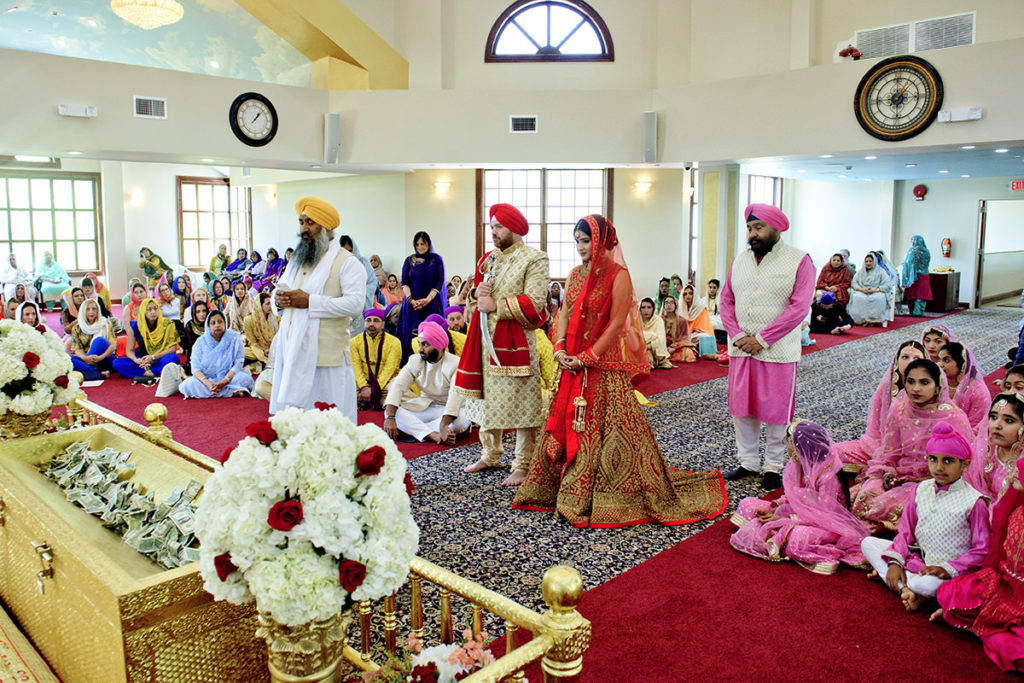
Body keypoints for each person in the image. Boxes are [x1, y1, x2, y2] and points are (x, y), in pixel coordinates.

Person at [512, 214, 726, 526]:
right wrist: (559, 346)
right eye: (577, 242)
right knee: (565, 423)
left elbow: (616, 325)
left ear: (602, 241)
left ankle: (600, 494)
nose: (581, 247)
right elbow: (566, 314)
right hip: (572, 366)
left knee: (605, 431)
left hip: (603, 368)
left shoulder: (618, 275)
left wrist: (588, 356)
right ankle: (559, 488)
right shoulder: (574, 275)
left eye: (586, 241)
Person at [720, 204, 815, 490]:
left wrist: (761, 339)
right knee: (742, 408)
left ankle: (773, 466)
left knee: (775, 411)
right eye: (749, 228)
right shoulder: (740, 260)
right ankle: (748, 462)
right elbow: (726, 301)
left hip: (777, 351)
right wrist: (736, 335)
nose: (753, 234)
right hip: (741, 350)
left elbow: (799, 308)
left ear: (777, 228)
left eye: (759, 227)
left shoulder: (800, 261)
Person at [456, 204, 548, 486]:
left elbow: (536, 302)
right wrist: (474, 292)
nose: (492, 232)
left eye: (498, 227)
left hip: (514, 342)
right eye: (491, 226)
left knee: (522, 404)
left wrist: (496, 304)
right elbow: (473, 298)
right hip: (483, 341)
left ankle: (522, 464)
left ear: (515, 229)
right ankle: (491, 453)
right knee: (486, 400)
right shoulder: (489, 259)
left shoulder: (534, 259)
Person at [862, 420, 988, 613]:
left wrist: (949, 568)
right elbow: (905, 532)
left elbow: (982, 549)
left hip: (947, 571)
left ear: (965, 465)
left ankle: (903, 584)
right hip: (919, 559)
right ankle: (906, 587)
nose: (939, 467)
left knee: (926, 585)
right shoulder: (920, 490)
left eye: (948, 460)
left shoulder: (974, 501)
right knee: (868, 544)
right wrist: (896, 561)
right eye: (933, 459)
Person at [270, 197, 366, 420]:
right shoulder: (297, 260)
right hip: (294, 352)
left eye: (310, 223)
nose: (304, 229)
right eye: (301, 222)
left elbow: (355, 304)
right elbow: (279, 291)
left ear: (326, 227)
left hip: (326, 357)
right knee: (296, 422)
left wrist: (311, 302)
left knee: (328, 422)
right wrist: (279, 301)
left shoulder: (348, 262)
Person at [730, 420, 870, 574]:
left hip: (826, 524)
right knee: (747, 504)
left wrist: (786, 520)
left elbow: (825, 515)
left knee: (798, 537)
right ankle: (778, 534)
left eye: (790, 444)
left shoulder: (828, 475)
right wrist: (775, 508)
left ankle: (780, 534)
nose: (788, 448)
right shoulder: (796, 463)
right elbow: (791, 497)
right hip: (797, 513)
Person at [850, 359, 974, 530]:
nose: (916, 389)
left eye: (924, 382)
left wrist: (934, 480)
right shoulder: (899, 409)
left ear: (938, 386)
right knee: (866, 498)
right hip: (900, 475)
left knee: (905, 508)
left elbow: (964, 462)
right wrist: (888, 472)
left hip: (937, 480)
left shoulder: (954, 417)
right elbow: (890, 453)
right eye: (910, 381)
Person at [935, 454, 1024, 672]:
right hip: (1003, 588)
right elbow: (996, 555)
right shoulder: (1017, 508)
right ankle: (985, 625)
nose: (1013, 475)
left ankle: (981, 630)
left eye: (1020, 473)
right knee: (950, 592)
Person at [835, 340, 925, 472]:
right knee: (834, 452)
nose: (910, 362)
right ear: (896, 361)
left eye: (916, 358)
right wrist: (882, 450)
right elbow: (874, 429)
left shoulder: (929, 391)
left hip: (916, 454)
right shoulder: (887, 387)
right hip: (880, 446)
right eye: (905, 357)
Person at [383, 320, 470, 444]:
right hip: (428, 406)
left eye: (425, 345)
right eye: (419, 344)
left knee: (459, 423)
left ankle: (414, 430)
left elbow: (454, 398)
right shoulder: (415, 361)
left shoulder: (456, 364)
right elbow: (398, 387)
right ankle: (433, 435)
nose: (420, 349)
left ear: (438, 345)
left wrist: (444, 424)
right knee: (390, 414)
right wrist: (391, 417)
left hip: (454, 410)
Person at [177, 310, 254, 399]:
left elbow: (239, 363)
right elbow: (194, 367)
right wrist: (208, 383)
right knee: (188, 384)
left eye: (220, 322)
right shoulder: (200, 342)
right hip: (207, 379)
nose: (217, 325)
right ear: (208, 326)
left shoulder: (235, 338)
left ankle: (215, 391)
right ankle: (230, 392)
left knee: (244, 379)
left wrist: (224, 381)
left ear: (225, 323)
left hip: (229, 378)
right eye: (213, 323)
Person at [965, 393, 1024, 503]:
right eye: (994, 417)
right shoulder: (984, 450)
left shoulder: (1022, 462)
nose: (997, 425)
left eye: (1009, 421)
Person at [397, 231, 446, 360]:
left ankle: (433, 362)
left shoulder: (436, 259)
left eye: (423, 244)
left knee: (431, 335)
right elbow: (404, 282)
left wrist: (427, 300)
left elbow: (439, 281)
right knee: (412, 335)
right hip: (412, 305)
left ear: (428, 244)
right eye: (417, 244)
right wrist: (410, 300)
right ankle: (412, 364)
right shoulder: (409, 260)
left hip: (431, 304)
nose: (420, 247)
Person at [112, 298, 181, 384]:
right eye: (149, 309)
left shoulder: (167, 324)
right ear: (143, 311)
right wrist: (136, 360)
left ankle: (149, 372)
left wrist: (153, 357)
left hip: (160, 359)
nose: (153, 312)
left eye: (155, 309)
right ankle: (148, 373)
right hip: (142, 362)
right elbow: (129, 351)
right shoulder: (137, 326)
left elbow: (173, 349)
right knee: (117, 363)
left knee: (174, 358)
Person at [351, 309, 402, 410]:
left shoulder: (394, 342)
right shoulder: (354, 342)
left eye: (376, 321)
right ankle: (375, 400)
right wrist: (363, 387)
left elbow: (390, 368)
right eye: (368, 320)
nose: (371, 324)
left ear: (383, 324)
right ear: (364, 322)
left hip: (385, 383)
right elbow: (355, 366)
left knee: (395, 388)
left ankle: (370, 400)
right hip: (362, 384)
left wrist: (375, 388)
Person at [939, 342, 989, 430]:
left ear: (962, 363)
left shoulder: (977, 391)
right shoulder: (938, 384)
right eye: (940, 360)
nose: (940, 365)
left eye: (946, 360)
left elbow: (976, 425)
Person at [339, 235, 378, 335]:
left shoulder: (363, 263)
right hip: (342, 307)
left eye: (350, 250)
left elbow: (372, 282)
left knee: (359, 340)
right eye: (344, 250)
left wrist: (360, 295)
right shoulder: (336, 265)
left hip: (361, 307)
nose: (347, 254)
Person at [69, 299, 117, 380]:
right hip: (86, 359)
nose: (91, 312)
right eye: (88, 309)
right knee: (67, 358)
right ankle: (97, 373)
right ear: (83, 311)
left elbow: (113, 345)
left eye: (94, 309)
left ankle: (87, 370)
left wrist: (100, 357)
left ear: (98, 310)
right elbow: (77, 348)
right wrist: (85, 358)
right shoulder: (77, 328)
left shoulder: (105, 323)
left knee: (99, 341)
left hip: (104, 358)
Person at [847, 252, 894, 324]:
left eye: (870, 261)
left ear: (874, 261)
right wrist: (862, 289)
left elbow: (888, 284)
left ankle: (874, 320)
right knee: (857, 297)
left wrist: (875, 290)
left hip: (877, 291)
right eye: (866, 261)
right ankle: (860, 320)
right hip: (862, 290)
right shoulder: (860, 272)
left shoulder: (881, 271)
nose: (868, 263)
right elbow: (854, 283)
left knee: (878, 298)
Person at [243, 291, 278, 373]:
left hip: (274, 347)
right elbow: (252, 342)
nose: (270, 306)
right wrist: (264, 350)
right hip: (258, 348)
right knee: (244, 352)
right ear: (259, 305)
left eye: (271, 303)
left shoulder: (276, 318)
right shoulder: (248, 320)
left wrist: (272, 348)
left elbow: (279, 337)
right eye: (267, 304)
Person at [680, 283, 717, 358]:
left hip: (696, 334)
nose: (688, 296)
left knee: (703, 337)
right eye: (685, 294)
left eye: (690, 293)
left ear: (694, 295)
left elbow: (705, 328)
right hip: (685, 335)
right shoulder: (680, 309)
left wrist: (692, 333)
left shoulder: (701, 308)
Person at [901, 235, 932, 316]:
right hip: (925, 275)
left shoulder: (912, 251)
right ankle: (920, 312)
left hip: (914, 276)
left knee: (914, 294)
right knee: (922, 294)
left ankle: (914, 312)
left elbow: (908, 263)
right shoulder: (927, 251)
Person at [640, 296, 673, 369]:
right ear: (640, 309)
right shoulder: (636, 321)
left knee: (647, 353)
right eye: (643, 307)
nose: (646, 310)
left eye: (649, 307)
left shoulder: (658, 321)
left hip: (653, 352)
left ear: (653, 309)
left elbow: (660, 340)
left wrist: (645, 345)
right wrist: (651, 337)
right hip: (638, 348)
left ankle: (648, 363)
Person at [661, 296, 695, 364]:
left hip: (677, 347)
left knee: (689, 353)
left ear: (675, 305)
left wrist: (673, 347)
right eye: (666, 303)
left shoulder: (682, 320)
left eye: (671, 303)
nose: (669, 305)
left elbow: (685, 338)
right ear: (663, 306)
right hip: (662, 346)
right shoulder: (660, 320)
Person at [180, 299, 209, 371]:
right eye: (198, 312)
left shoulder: (211, 324)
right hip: (196, 358)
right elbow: (191, 347)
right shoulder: (190, 325)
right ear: (194, 313)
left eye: (204, 311)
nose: (202, 314)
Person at [703, 278, 727, 345]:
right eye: (710, 287)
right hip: (705, 318)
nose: (712, 290)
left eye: (714, 288)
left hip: (716, 318)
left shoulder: (720, 300)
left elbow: (721, 312)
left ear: (717, 289)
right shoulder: (703, 299)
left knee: (713, 324)